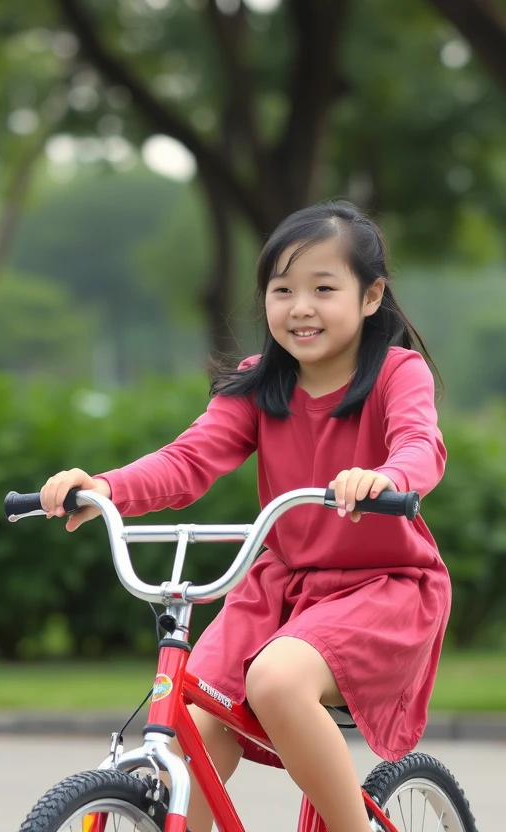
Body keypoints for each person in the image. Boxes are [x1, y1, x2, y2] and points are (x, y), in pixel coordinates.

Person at [40, 200, 449, 832]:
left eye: (322, 288)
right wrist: (102, 489)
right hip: (279, 593)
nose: (299, 307)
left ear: (372, 298)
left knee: (278, 681)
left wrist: (387, 477)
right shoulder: (259, 385)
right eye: (281, 290)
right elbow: (186, 461)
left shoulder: (398, 372)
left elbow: (421, 445)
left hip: (384, 587)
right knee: (189, 726)